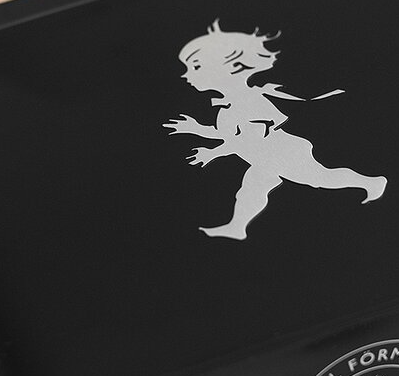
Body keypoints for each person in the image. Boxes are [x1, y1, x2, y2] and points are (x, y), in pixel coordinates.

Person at [163, 20, 387, 240]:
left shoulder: (249, 100)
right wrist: (195, 129)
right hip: (263, 158)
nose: (186, 75)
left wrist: (214, 153)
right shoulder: (228, 105)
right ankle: (237, 228)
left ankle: (371, 182)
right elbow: (229, 135)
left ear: (235, 67)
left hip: (284, 153)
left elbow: (249, 139)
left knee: (321, 178)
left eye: (196, 66)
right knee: (250, 191)